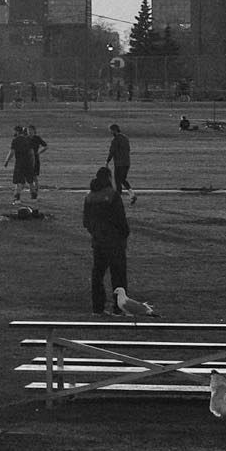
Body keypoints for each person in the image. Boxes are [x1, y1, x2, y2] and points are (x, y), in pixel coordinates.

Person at [82, 166, 136, 315]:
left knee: (97, 275)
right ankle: (119, 308)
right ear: (109, 178)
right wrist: (124, 235)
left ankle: (97, 308)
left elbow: (85, 222)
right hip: (115, 242)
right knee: (118, 276)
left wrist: (96, 233)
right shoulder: (112, 195)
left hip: (98, 242)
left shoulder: (89, 197)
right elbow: (121, 219)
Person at [106, 123, 133, 196]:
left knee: (118, 180)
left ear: (114, 130)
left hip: (119, 163)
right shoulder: (125, 138)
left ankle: (118, 196)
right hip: (127, 162)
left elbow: (112, 151)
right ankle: (132, 194)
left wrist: (107, 161)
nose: (110, 132)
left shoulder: (115, 140)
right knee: (122, 179)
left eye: (111, 131)